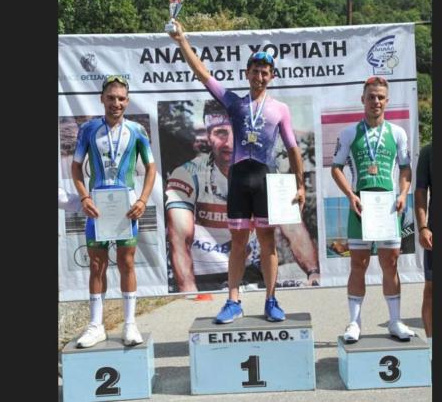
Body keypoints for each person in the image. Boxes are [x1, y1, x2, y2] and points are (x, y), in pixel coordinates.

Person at [168, 19, 305, 324]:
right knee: (239, 243)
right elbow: (203, 74)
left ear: (272, 76)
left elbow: (293, 148)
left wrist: (300, 185)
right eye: (255, 71)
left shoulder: (280, 109)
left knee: (268, 242)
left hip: (267, 180)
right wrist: (182, 41)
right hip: (240, 181)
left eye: (265, 72)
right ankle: (233, 301)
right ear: (247, 74)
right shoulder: (234, 103)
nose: (260, 76)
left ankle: (271, 299)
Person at [165, 100, 320, 293]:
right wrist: (190, 293)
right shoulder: (187, 174)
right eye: (220, 133)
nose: (230, 142)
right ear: (208, 136)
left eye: (237, 132)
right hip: (205, 277)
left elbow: (294, 229)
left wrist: (313, 272)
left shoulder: (268, 169)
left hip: (250, 272)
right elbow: (179, 241)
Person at [71, 75, 156, 348]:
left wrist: (143, 200)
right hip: (96, 207)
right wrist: (84, 196)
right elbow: (76, 167)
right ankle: (96, 325)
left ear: (127, 101)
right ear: (102, 99)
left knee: (126, 262)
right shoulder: (88, 129)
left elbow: (151, 167)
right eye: (110, 98)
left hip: (126, 208)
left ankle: (130, 324)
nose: (115, 103)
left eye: (121, 99)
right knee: (97, 264)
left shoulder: (137, 130)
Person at [330, 75, 416, 342]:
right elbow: (336, 168)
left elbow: (405, 169)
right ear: (363, 100)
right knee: (359, 263)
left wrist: (403, 194)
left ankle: (395, 321)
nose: (375, 101)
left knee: (390, 263)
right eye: (371, 97)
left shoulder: (397, 133)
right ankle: (354, 323)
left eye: (380, 97)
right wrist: (350, 195)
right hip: (361, 207)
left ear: (387, 101)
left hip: (388, 207)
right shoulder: (349, 133)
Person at [414, 142, 432, 359]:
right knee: (431, 289)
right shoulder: (428, 152)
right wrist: (423, 226)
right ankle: (432, 347)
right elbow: (420, 192)